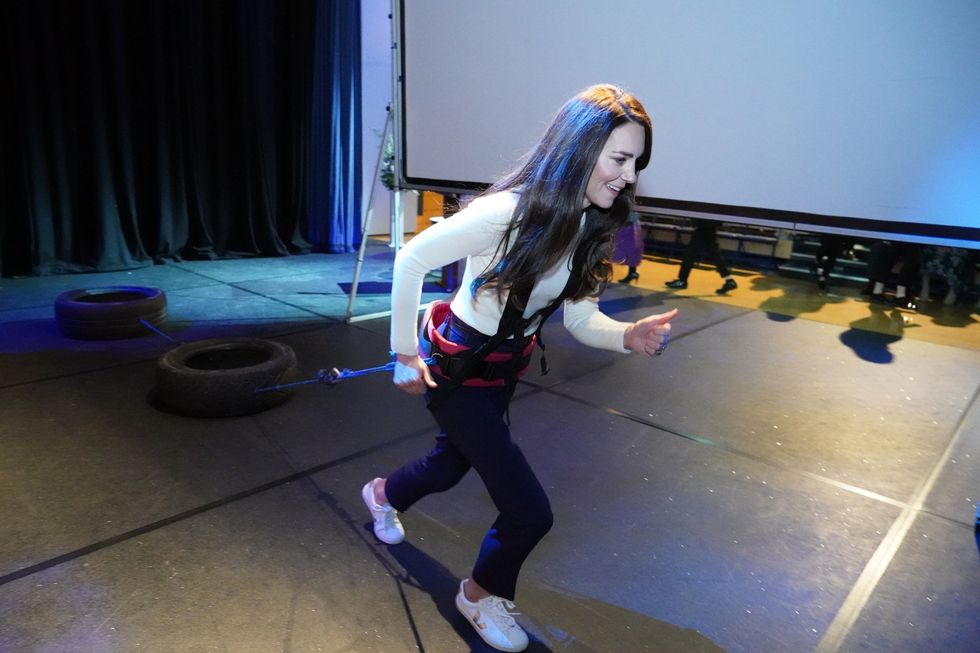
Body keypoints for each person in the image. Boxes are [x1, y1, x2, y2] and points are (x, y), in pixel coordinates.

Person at [361, 84, 677, 653]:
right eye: (620, 159)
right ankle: (478, 595)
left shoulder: (591, 225)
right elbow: (410, 260)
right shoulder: (505, 213)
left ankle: (383, 493)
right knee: (529, 511)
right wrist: (404, 354)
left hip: (502, 372)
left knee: (449, 464)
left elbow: (581, 319)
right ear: (580, 150)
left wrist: (628, 336)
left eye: (636, 163)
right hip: (456, 370)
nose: (629, 176)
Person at [664, 219, 737, 294]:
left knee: (690, 254)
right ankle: (729, 280)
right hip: (711, 228)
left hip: (702, 228)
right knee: (715, 255)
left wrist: (694, 221)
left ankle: (682, 281)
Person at [615, 211, 644, 283]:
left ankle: (632, 273)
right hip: (631, 225)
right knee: (632, 250)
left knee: (619, 248)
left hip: (626, 224)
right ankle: (632, 272)